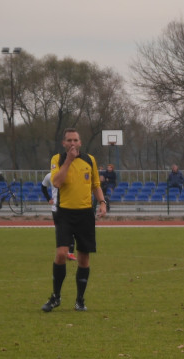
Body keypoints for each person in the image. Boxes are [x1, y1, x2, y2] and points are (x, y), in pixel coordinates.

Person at [41, 129, 106, 313]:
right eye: (69, 140)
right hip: (64, 213)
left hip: (85, 214)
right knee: (62, 254)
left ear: (80, 142)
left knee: (84, 259)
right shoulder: (57, 159)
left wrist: (102, 202)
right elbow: (57, 183)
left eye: (75, 140)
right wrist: (69, 161)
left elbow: (95, 185)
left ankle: (80, 300)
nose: (72, 143)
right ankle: (56, 297)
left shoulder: (90, 160)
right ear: (64, 143)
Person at [42, 171, 75, 261]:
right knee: (60, 231)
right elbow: (43, 187)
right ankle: (62, 253)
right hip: (56, 208)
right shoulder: (49, 175)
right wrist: (48, 198)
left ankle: (70, 253)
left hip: (69, 206)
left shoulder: (70, 173)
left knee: (71, 230)